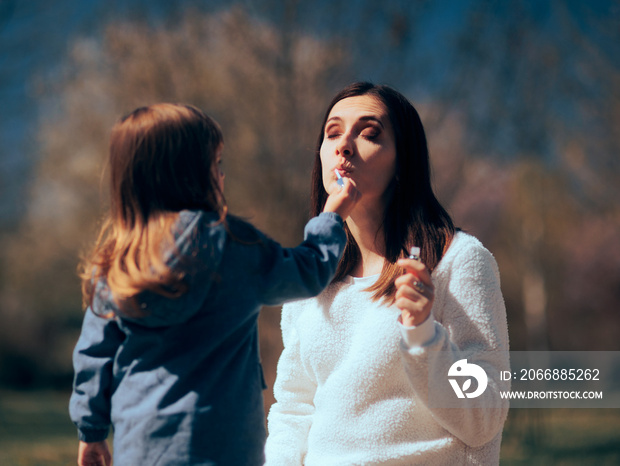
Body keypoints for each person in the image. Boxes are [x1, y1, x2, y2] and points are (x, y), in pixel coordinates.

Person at [69, 103, 361, 466]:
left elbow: (94, 355)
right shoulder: (232, 245)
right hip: (226, 446)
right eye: (217, 165)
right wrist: (333, 216)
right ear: (192, 174)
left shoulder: (117, 260)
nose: (222, 176)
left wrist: (91, 431)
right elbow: (309, 271)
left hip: (142, 447)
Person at [265, 82, 510, 465]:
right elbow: (294, 409)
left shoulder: (458, 261)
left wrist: (423, 335)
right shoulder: (309, 276)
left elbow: (485, 417)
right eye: (333, 133)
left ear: (402, 161)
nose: (344, 145)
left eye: (369, 133)